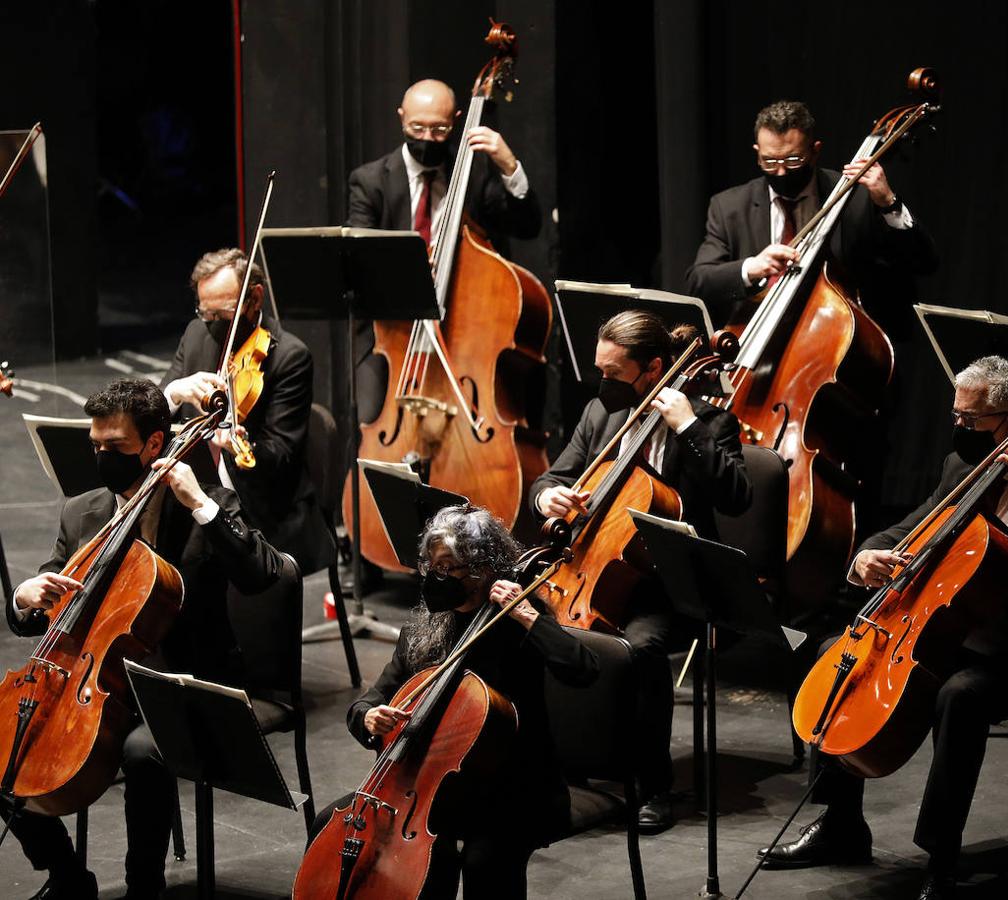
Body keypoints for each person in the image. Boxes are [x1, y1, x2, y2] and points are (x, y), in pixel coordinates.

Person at [757, 356, 1008, 900]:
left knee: (960, 696)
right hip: (953, 633)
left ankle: (941, 854)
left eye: (971, 420)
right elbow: (909, 526)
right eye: (956, 417)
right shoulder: (963, 467)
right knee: (831, 650)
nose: (959, 429)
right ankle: (841, 825)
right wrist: (865, 556)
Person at [3, 378, 284, 900]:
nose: (102, 456)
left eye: (116, 447)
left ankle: (143, 889)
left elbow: (264, 574)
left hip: (180, 681)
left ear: (155, 444)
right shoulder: (82, 510)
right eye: (96, 445)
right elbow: (40, 609)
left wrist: (200, 503)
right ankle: (66, 874)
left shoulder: (205, 503)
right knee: (3, 744)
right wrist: (26, 593)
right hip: (93, 681)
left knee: (142, 753)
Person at [528, 310, 753, 832]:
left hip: (668, 582)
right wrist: (548, 498)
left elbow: (737, 497)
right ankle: (554, 758)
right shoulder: (600, 415)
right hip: (592, 565)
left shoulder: (709, 419)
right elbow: (552, 475)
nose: (601, 381)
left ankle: (653, 786)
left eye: (613, 372)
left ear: (653, 368)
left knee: (643, 647)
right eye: (598, 369)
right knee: (524, 618)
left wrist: (689, 427)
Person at [310, 504, 598, 899]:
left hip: (514, 788)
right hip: (430, 789)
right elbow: (371, 698)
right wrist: (369, 716)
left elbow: (582, 668)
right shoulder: (427, 626)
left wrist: (530, 616)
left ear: (481, 571)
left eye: (447, 568)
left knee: (484, 862)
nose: (434, 578)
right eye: (430, 567)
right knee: (331, 822)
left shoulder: (514, 625)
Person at [347, 78, 543, 424]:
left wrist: (509, 164)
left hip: (461, 333)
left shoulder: (473, 176)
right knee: (372, 427)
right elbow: (361, 262)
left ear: (456, 120)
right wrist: (412, 269)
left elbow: (528, 226)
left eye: (439, 130)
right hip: (390, 335)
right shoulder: (370, 181)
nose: (427, 138)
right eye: (417, 127)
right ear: (401, 118)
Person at [684, 99, 938, 334]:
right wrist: (752, 267)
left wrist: (888, 203)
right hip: (758, 342)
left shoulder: (856, 196)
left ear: (815, 151)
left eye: (793, 160)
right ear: (757, 152)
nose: (781, 172)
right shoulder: (729, 207)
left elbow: (924, 262)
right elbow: (699, 281)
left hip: (839, 341)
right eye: (770, 161)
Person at [161, 247, 333, 574]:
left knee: (193, 561)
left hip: (261, 506)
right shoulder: (196, 334)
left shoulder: (289, 356)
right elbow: (152, 413)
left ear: (254, 298)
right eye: (205, 313)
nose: (212, 324)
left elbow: (281, 455)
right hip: (196, 493)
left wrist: (239, 444)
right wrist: (174, 392)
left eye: (223, 314)